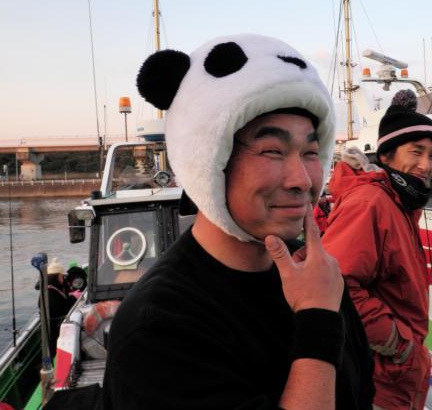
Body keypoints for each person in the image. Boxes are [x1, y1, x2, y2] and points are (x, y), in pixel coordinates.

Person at [103, 34, 374, 409]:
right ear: (209, 162)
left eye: (311, 152)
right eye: (273, 151)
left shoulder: (317, 273)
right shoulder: (158, 327)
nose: (302, 180)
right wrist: (316, 321)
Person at [322, 89, 432, 410]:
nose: (426, 165)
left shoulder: (401, 203)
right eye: (416, 152)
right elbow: (336, 283)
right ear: (386, 156)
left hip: (397, 378)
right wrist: (399, 344)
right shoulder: (371, 203)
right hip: (380, 381)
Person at [42, 258, 75, 357]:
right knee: (54, 350)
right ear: (57, 276)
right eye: (61, 276)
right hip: (55, 330)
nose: (63, 279)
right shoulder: (51, 293)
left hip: (52, 328)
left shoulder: (48, 288)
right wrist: (73, 298)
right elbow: (62, 311)